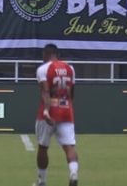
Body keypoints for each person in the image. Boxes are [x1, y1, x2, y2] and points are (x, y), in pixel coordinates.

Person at [35, 44, 79, 186]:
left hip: (48, 113)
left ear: (46, 54)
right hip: (66, 110)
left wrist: (47, 111)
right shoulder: (70, 68)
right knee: (69, 146)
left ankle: (42, 181)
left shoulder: (43, 69)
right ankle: (73, 173)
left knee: (43, 146)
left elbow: (45, 92)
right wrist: (68, 106)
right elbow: (72, 91)